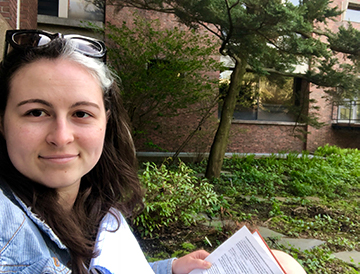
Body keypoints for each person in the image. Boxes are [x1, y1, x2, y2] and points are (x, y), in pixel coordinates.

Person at [0, 29, 305, 274]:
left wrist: (168, 268)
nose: (61, 137)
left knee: (282, 262)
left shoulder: (90, 202)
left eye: (81, 114)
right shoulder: (7, 221)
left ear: (107, 121)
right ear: (2, 121)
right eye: (36, 113)